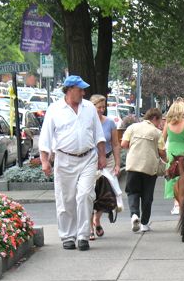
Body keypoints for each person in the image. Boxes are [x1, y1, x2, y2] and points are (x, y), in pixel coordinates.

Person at [39, 75, 106, 251]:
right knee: (66, 199)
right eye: (80, 89)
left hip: (87, 158)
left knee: (85, 195)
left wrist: (101, 156)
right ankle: (68, 236)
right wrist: (45, 161)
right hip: (64, 159)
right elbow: (45, 137)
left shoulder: (89, 108)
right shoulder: (55, 109)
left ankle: (83, 235)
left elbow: (98, 134)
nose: (83, 93)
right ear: (69, 90)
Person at [121, 108, 167, 232]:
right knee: (147, 196)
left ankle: (134, 214)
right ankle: (144, 224)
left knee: (132, 192)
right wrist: (166, 160)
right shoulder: (157, 133)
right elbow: (162, 152)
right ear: (155, 119)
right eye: (160, 121)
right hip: (149, 167)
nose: (160, 124)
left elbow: (124, 144)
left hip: (133, 166)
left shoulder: (132, 128)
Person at [89, 94, 121, 240]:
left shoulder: (109, 123)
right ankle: (89, 227)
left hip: (107, 161)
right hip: (90, 162)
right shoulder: (87, 123)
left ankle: (97, 219)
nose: (102, 110)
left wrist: (117, 164)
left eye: (103, 107)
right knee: (89, 194)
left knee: (105, 193)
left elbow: (115, 144)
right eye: (99, 107)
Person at [163, 101, 184, 215]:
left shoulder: (167, 123)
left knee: (172, 175)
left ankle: (176, 204)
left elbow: (162, 140)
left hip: (172, 151)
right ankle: (183, 202)